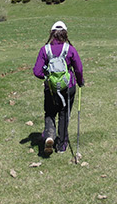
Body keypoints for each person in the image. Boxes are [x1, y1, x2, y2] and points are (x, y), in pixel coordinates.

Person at [33, 20, 84, 155]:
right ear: (65, 34)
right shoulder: (70, 49)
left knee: (50, 112)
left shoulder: (45, 50)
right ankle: (61, 146)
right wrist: (80, 81)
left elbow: (37, 71)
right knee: (64, 114)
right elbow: (78, 68)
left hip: (51, 89)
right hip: (68, 87)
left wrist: (48, 76)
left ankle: (49, 135)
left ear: (51, 33)